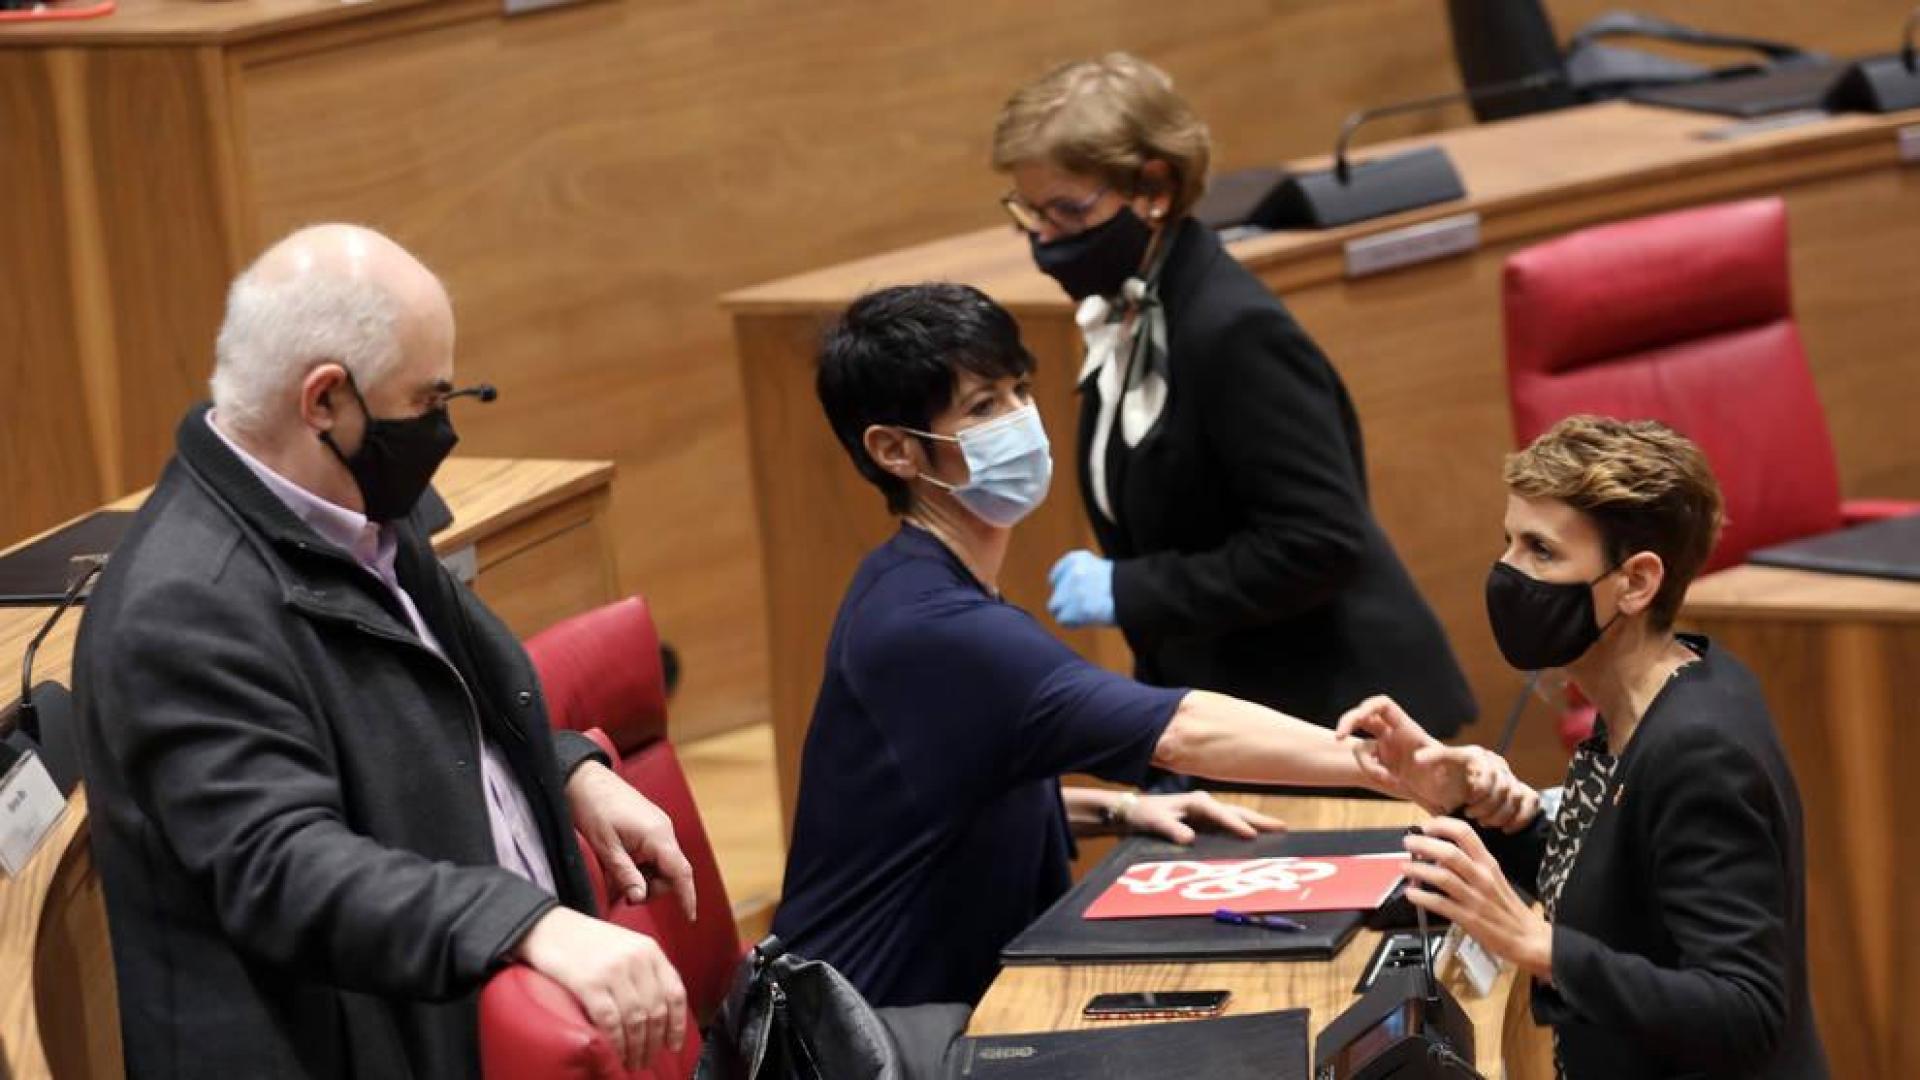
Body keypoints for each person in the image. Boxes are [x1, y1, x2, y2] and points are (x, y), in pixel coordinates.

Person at [772, 283, 1529, 1009]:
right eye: (982, 406)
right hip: (864, 1032)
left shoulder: (909, 581)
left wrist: (1111, 810)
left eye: (1019, 391)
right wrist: (1391, 768)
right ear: (896, 452)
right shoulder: (934, 626)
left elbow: (937, 796)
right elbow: (1182, 729)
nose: (1021, 421)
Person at [73, 224, 696, 1079]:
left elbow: (430, 706)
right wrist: (525, 922)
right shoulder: (183, 606)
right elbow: (283, 868)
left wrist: (565, 771)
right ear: (324, 400)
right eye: (429, 402)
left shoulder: (353, 504)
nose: (442, 430)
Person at [990, 53, 1475, 738]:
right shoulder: (1135, 307)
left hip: (1336, 720)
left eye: (1065, 211)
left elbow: (1319, 542)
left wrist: (1131, 590)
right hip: (1237, 703)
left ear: (1153, 188)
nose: (1042, 239)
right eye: (1028, 213)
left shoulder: (1233, 331)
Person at [1340, 416, 1828, 1079]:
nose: (1508, 572)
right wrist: (1468, 804)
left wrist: (1541, 947)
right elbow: (1626, 890)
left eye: (1541, 551)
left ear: (1635, 582)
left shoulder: (1700, 752)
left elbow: (1745, 1010)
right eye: (1508, 541)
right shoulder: (1640, 699)